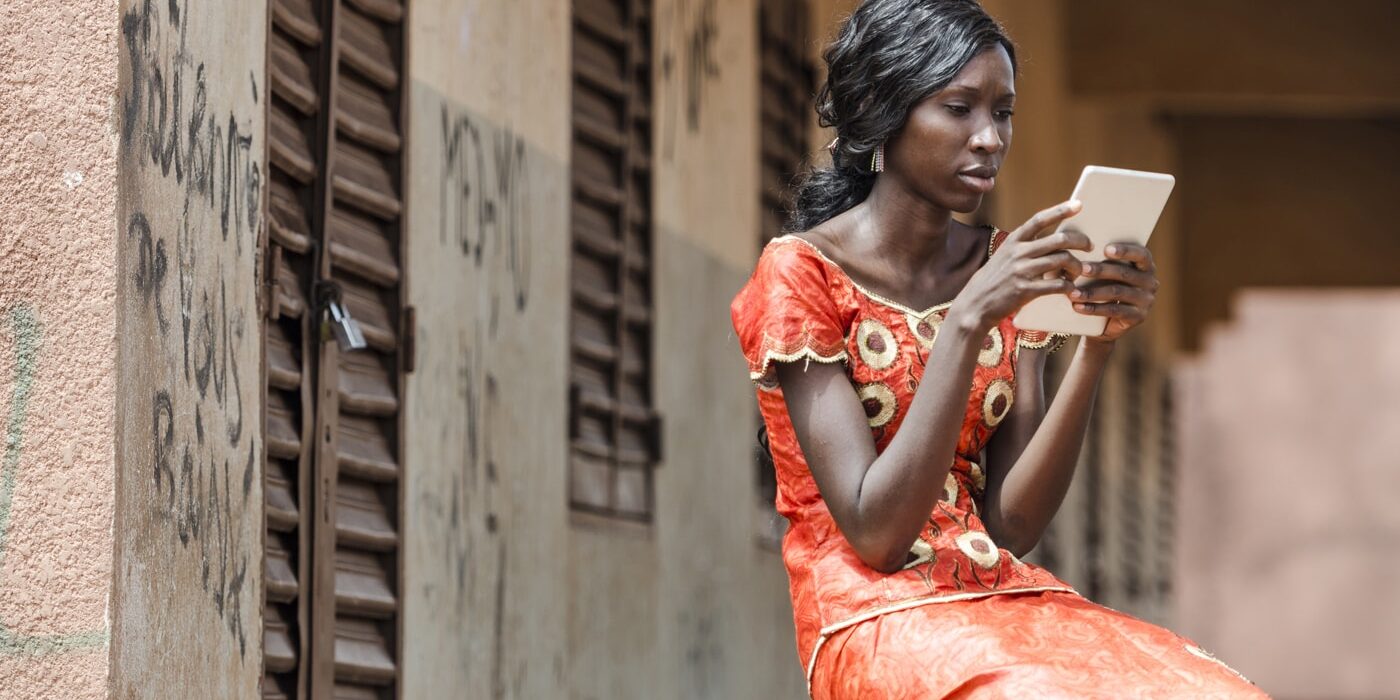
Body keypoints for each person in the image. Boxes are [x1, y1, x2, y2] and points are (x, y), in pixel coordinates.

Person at [729, 1, 1266, 697]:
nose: (989, 137)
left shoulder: (1007, 262)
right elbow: (877, 535)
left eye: (1003, 112)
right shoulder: (801, 275)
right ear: (878, 109)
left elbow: (1013, 526)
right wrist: (970, 318)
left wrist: (1097, 346)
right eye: (959, 109)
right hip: (873, 614)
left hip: (996, 595)